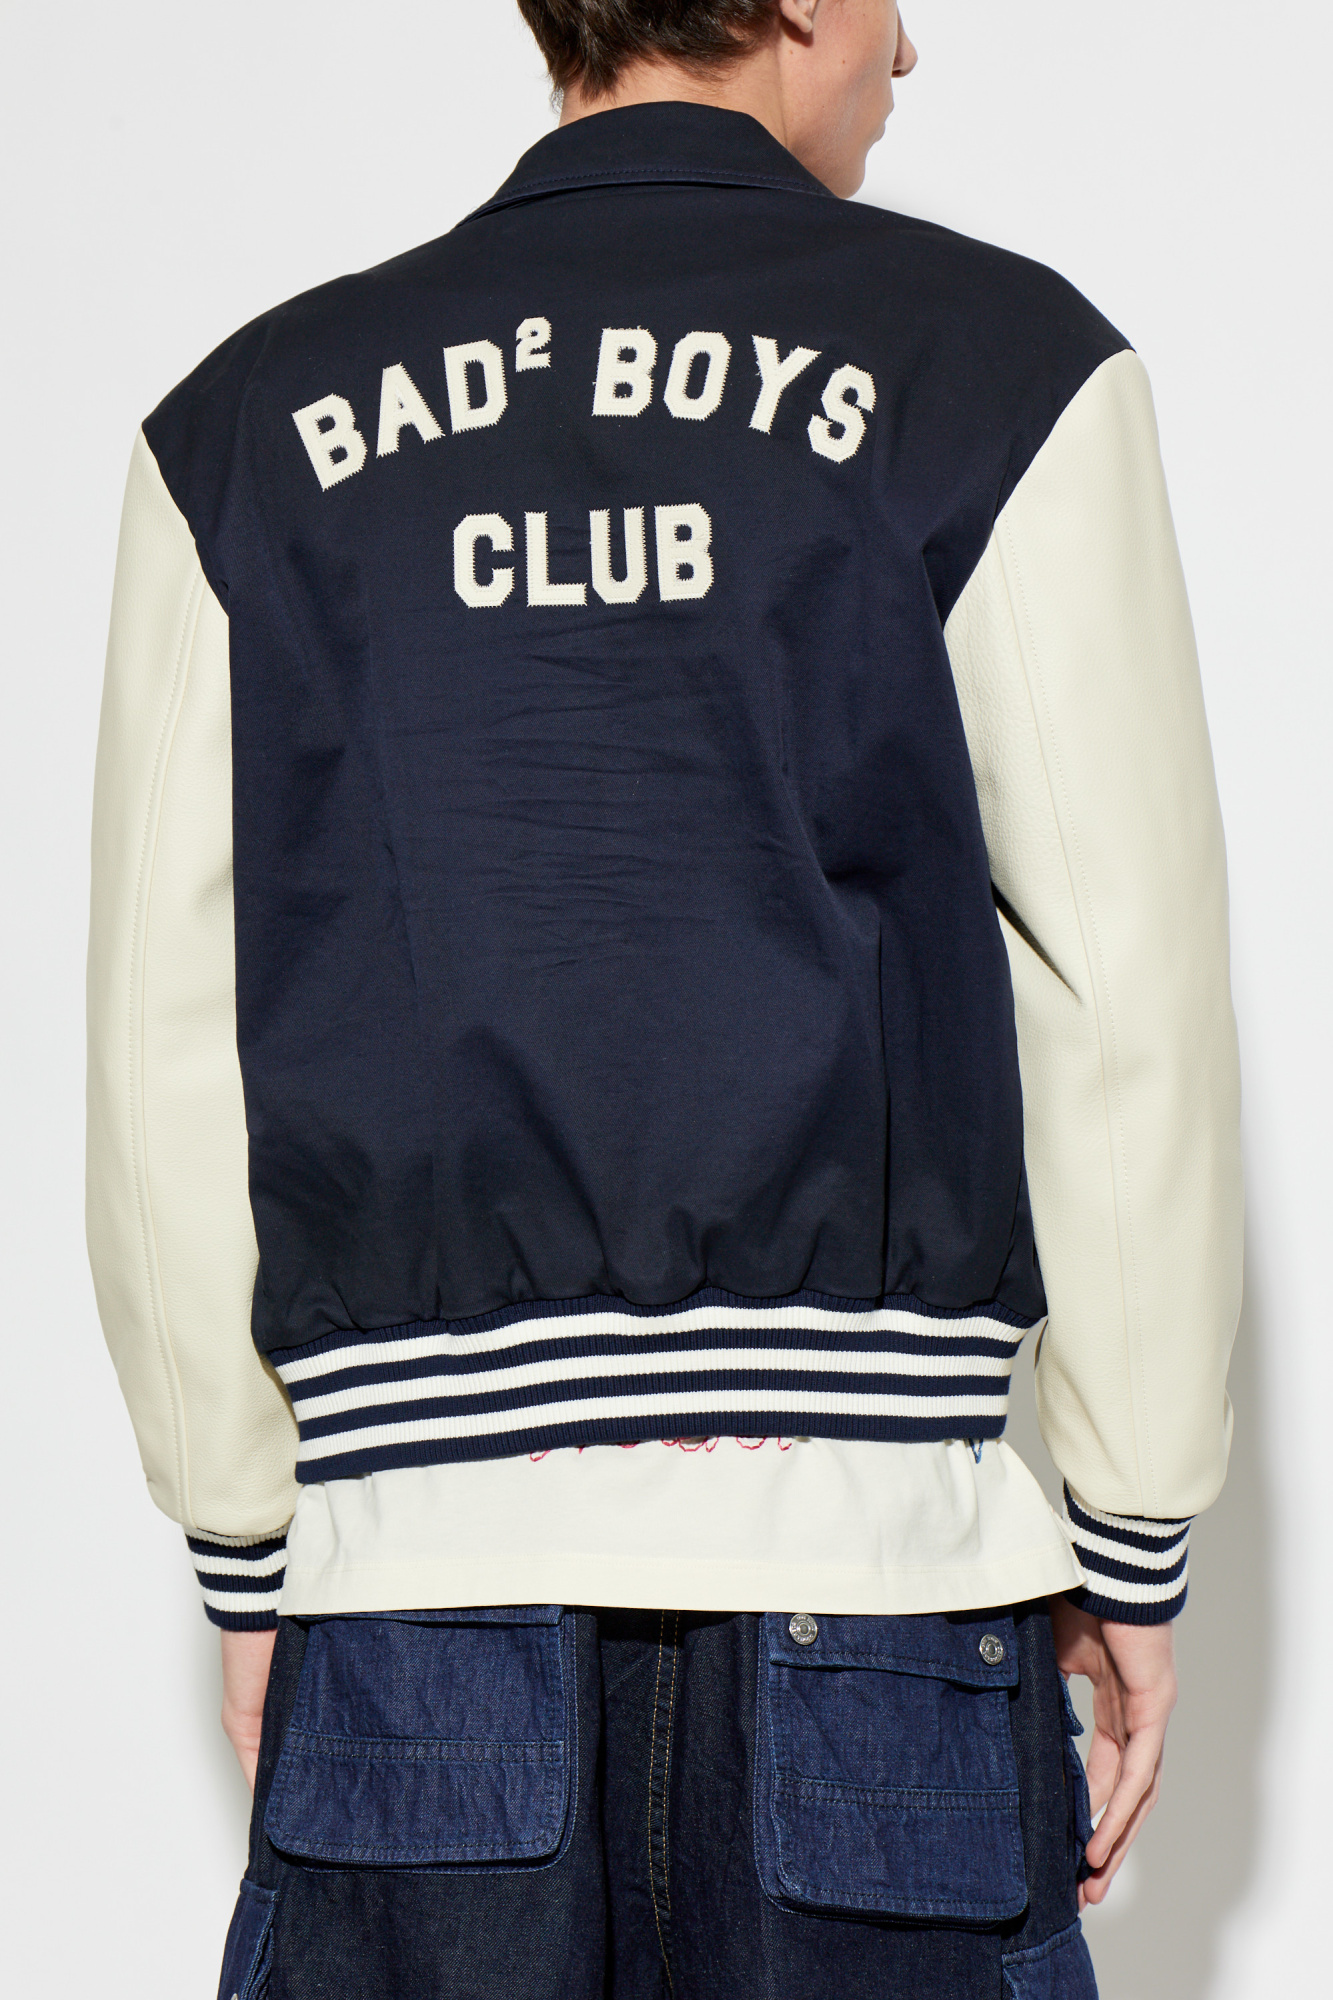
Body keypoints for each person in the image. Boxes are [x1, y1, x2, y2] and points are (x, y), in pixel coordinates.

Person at [86, 3, 1242, 1995]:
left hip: (419, 1602)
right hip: (876, 1596)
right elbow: (1117, 993)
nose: (910, 45)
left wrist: (252, 1542)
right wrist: (1131, 1530)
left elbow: (161, 1050)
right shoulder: (1005, 371)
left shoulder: (243, 426)